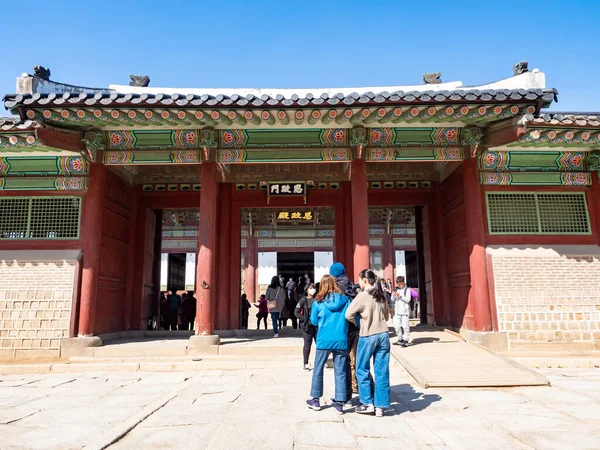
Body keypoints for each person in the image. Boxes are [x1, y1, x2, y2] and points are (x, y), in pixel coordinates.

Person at [345, 269, 391, 418]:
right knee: (381, 371)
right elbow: (386, 315)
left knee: (362, 368)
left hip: (368, 334)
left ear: (365, 280)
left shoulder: (362, 296)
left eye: (359, 279)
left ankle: (367, 403)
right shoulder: (381, 295)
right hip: (383, 334)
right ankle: (381, 406)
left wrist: (358, 322)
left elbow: (348, 314)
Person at [306, 275, 350, 414]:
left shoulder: (318, 302)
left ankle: (316, 400)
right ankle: (339, 402)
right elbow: (350, 316)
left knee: (318, 369)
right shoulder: (345, 300)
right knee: (340, 371)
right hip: (341, 338)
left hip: (324, 339)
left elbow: (313, 321)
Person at [329, 262, 361, 400]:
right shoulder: (351, 284)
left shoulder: (337, 287)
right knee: (355, 359)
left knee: (343, 362)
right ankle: (363, 388)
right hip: (355, 327)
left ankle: (344, 396)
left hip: (344, 328)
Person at [295, 283, 317, 370]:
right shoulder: (303, 300)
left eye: (313, 288)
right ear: (307, 290)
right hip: (306, 326)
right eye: (310, 288)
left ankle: (320, 361)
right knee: (307, 344)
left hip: (316, 325)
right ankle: (306, 363)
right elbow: (296, 312)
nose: (312, 290)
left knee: (319, 344)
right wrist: (303, 319)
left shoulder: (317, 300)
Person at [392, 276, 411, 347]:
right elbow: (392, 299)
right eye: (398, 284)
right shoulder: (395, 289)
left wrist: (400, 296)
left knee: (405, 326)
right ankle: (400, 339)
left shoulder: (407, 289)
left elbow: (408, 300)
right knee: (396, 326)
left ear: (403, 282)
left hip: (405, 311)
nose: (399, 285)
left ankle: (406, 340)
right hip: (397, 311)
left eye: (400, 284)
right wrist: (394, 295)